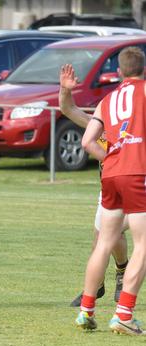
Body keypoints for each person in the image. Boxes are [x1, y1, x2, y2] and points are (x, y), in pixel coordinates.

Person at [77, 46, 146, 335]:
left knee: (105, 242)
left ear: (119, 71)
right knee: (143, 244)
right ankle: (124, 314)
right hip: (138, 173)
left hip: (112, 174)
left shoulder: (108, 99)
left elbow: (87, 142)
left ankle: (86, 310)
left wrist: (113, 158)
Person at [58, 64, 129, 307]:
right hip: (110, 190)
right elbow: (67, 109)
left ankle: (114, 281)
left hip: (136, 188)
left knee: (110, 234)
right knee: (102, 238)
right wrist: (65, 89)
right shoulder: (102, 130)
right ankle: (109, 280)